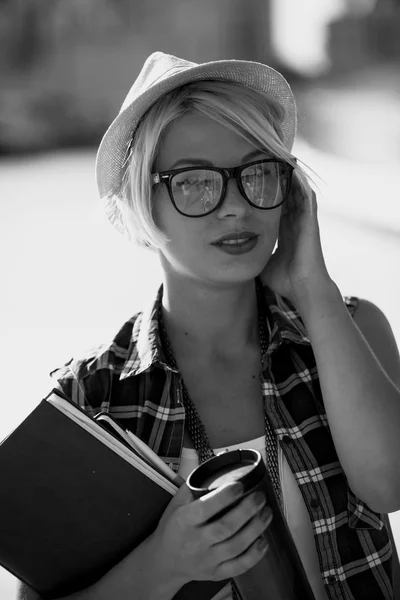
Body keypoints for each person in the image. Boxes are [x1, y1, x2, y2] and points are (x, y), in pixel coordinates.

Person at [18, 51, 400, 600]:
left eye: (257, 174)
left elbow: (388, 485)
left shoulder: (350, 328)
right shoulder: (89, 400)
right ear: (142, 200)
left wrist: (315, 289)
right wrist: (161, 566)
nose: (235, 207)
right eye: (195, 182)